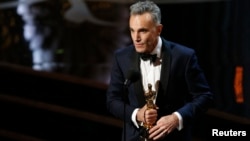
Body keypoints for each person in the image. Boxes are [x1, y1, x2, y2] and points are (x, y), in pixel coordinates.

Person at [106, 1, 214, 141]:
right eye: (132, 30)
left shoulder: (184, 57)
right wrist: (137, 114)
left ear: (158, 30)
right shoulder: (121, 57)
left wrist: (176, 118)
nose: (136, 38)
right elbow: (112, 101)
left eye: (142, 31)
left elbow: (204, 97)